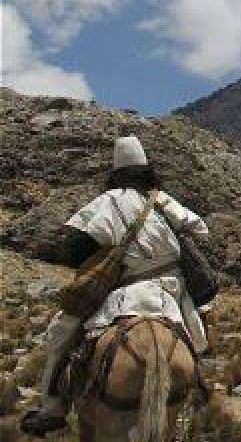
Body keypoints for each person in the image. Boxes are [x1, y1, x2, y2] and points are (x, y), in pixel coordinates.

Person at [21, 136, 210, 437]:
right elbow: (201, 228)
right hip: (171, 295)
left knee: (60, 333)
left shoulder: (107, 202)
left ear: (115, 172)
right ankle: (198, 392)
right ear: (146, 170)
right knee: (197, 341)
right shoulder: (162, 200)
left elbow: (74, 250)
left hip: (125, 294)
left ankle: (52, 409)